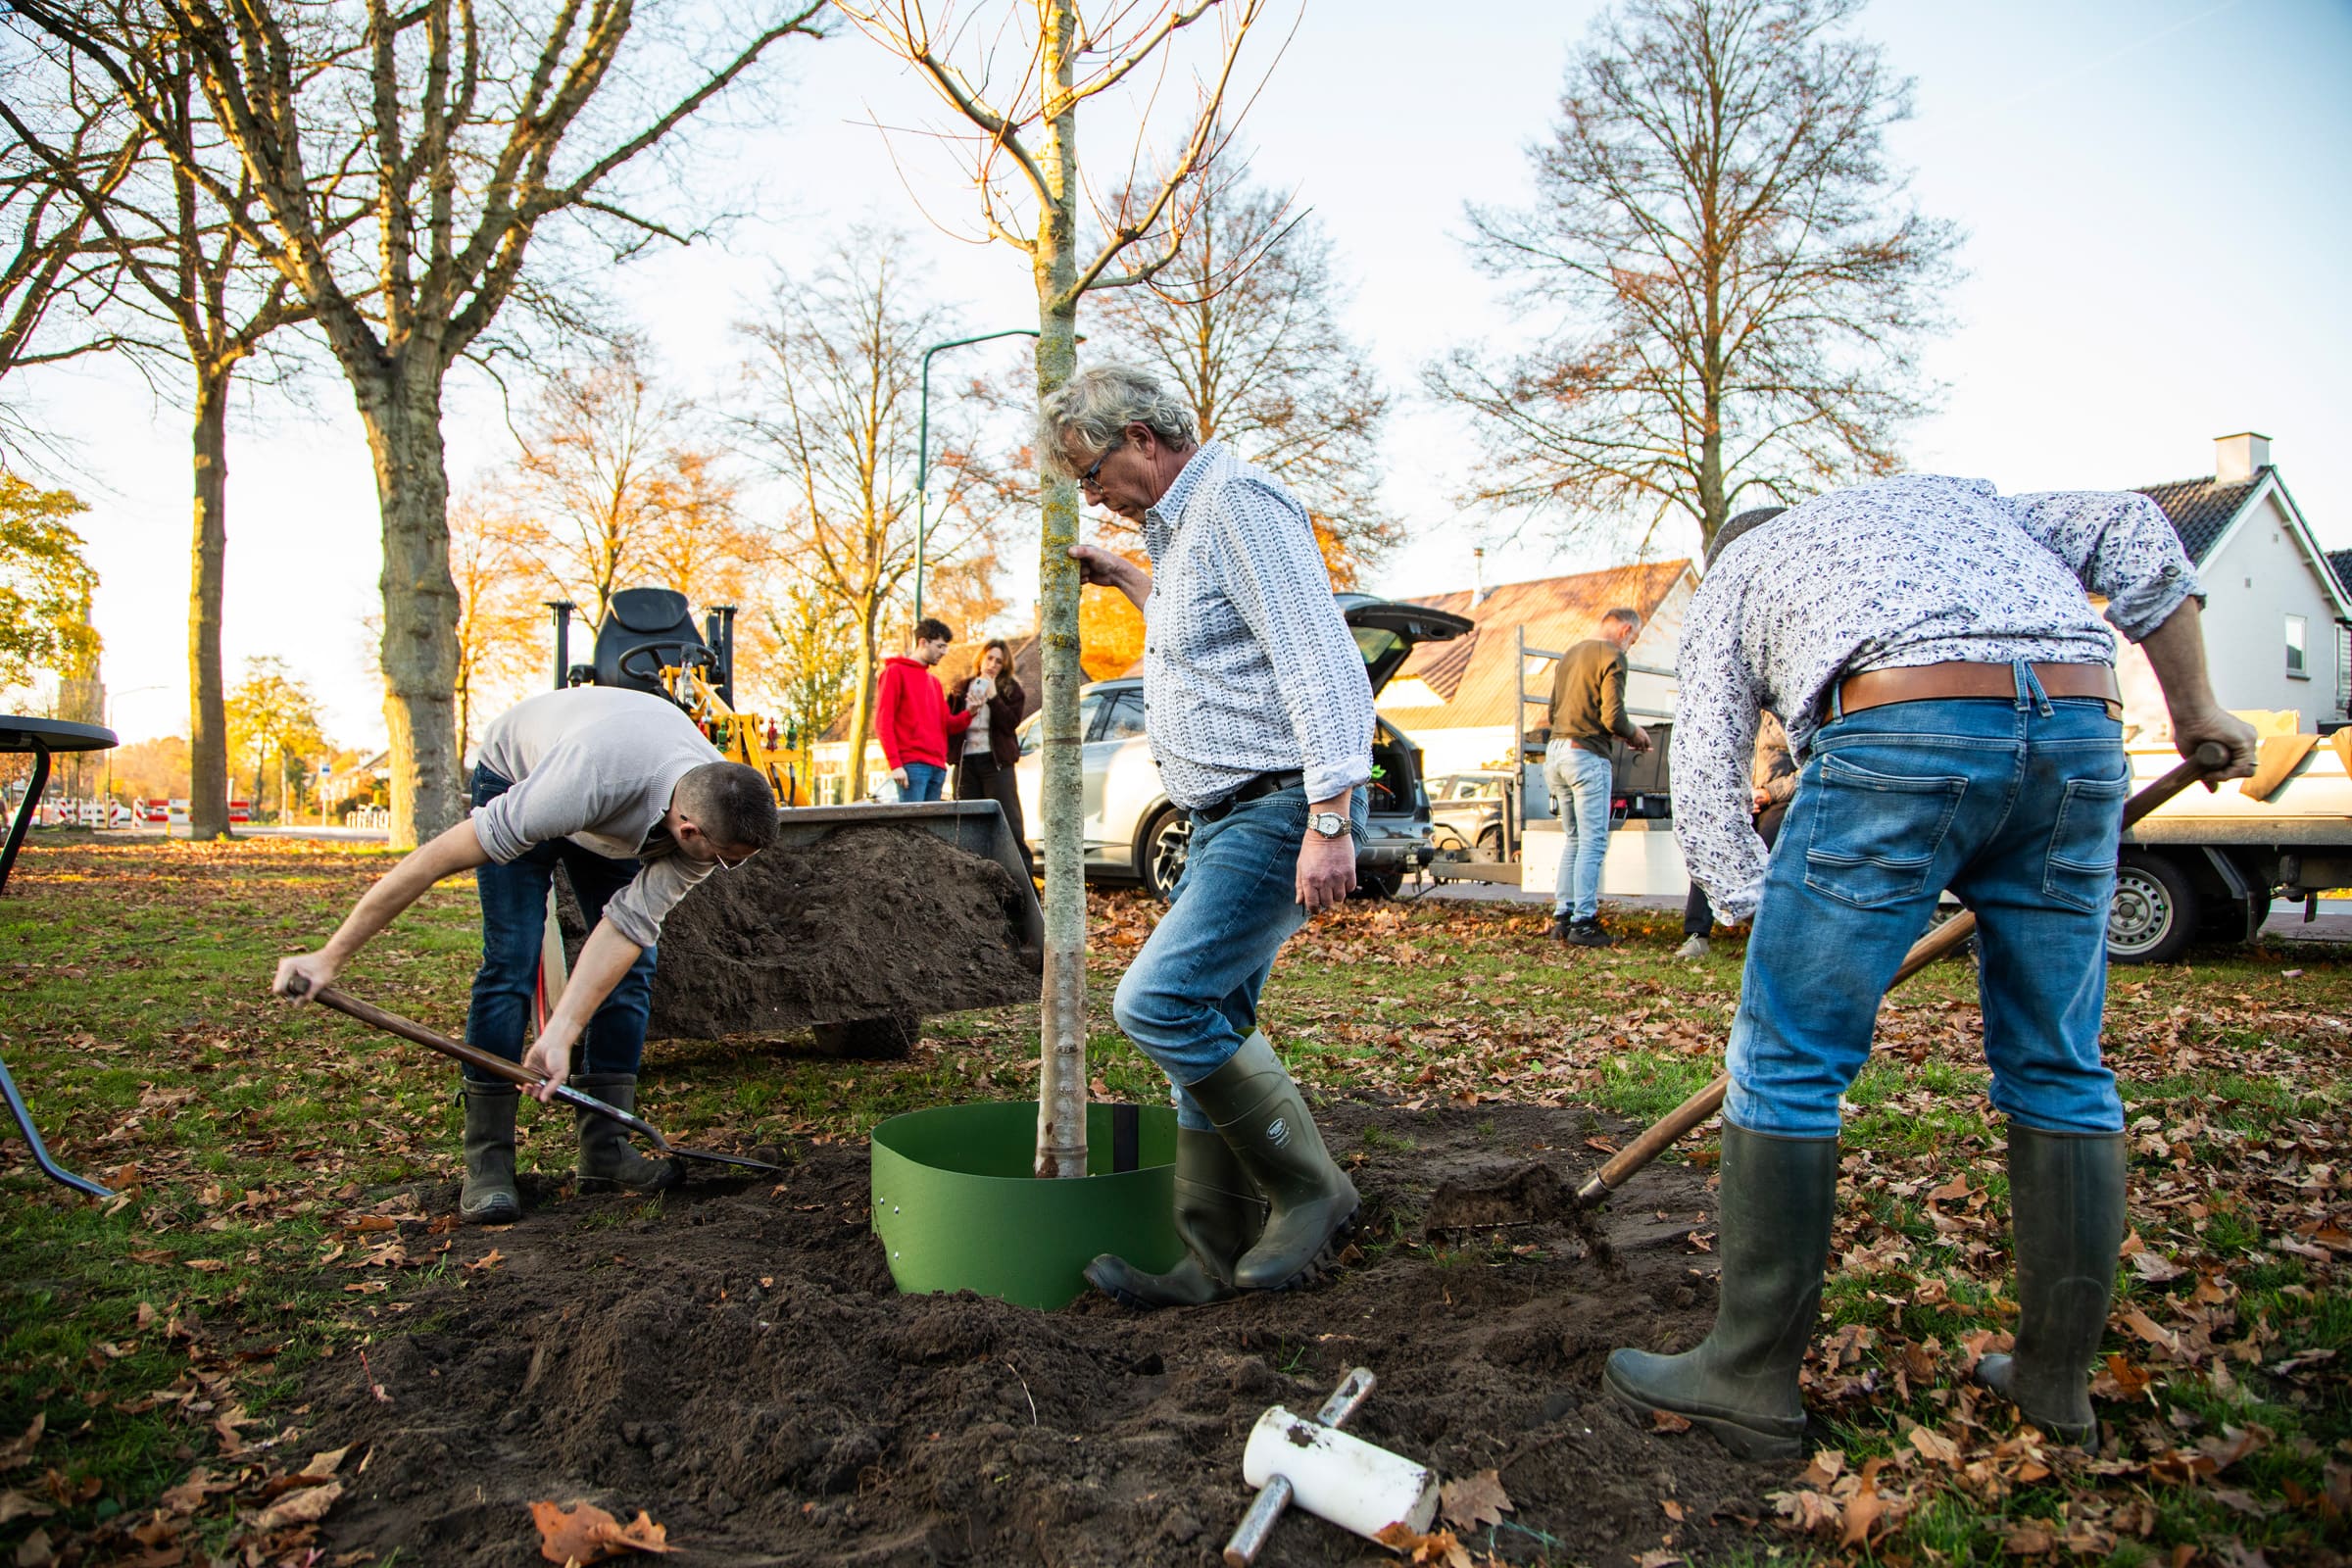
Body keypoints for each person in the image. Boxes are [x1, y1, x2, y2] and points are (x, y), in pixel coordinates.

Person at [1602, 479, 2258, 1460]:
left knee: (1786, 1061)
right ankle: (2055, 1382)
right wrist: (2197, 705)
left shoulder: (1737, 568)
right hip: (2080, 725)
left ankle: (1746, 1376)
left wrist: (1745, 902)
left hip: (1900, 723)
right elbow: (2131, 525)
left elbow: (1703, 753)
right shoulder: (1959, 501)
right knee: (2060, 1063)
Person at [1043, 363, 1372, 1308]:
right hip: (1220, 814)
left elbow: (1321, 663)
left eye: (1092, 468)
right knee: (1213, 1027)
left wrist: (1328, 819)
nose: (1089, 492)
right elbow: (1214, 642)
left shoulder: (1237, 504)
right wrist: (1129, 582)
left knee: (1158, 1004)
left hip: (1270, 811)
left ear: (1144, 437)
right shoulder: (1182, 533)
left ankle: (1313, 1190)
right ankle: (1208, 1260)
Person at [271, 686, 779, 1224]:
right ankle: (488, 1163)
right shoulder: (580, 784)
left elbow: (626, 927)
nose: (726, 868)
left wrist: (560, 1033)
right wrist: (330, 957)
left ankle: (605, 1151)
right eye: (724, 860)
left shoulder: (712, 804)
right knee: (511, 958)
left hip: (614, 817)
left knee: (636, 968)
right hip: (522, 775)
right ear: (689, 830)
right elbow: (430, 861)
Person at [1544, 608, 1651, 947]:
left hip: (1556, 751)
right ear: (1624, 629)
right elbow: (1614, 716)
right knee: (1592, 841)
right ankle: (1585, 923)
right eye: (1633, 637)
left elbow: (1552, 711)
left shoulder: (1571, 654)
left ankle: (1563, 917)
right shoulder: (1614, 656)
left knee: (1573, 839)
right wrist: (1636, 735)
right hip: (1586, 757)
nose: (1631, 644)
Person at [1675, 708, 1797, 959]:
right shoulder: (1738, 710)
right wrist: (1738, 796)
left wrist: (1770, 792)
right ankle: (1698, 935)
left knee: (1764, 847)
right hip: (1741, 799)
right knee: (1713, 846)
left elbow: (1811, 768)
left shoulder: (1793, 716)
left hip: (1779, 799)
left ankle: (1768, 935)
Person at [950, 637, 1032, 877]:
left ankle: (1025, 887)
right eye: (990, 658)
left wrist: (994, 697)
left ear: (1005, 666)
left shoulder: (1011, 691)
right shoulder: (960, 688)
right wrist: (967, 710)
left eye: (999, 661)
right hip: (966, 763)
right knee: (965, 825)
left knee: (1010, 825)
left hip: (996, 764)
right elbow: (950, 727)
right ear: (981, 658)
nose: (993, 664)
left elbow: (1010, 725)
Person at [876, 617, 971, 803]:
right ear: (923, 642)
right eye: (940, 646)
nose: (944, 652)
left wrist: (971, 712)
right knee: (913, 828)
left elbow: (948, 725)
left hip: (937, 767)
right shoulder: (895, 672)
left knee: (929, 831)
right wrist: (895, 764)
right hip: (912, 766)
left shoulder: (933, 683)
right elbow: (883, 722)